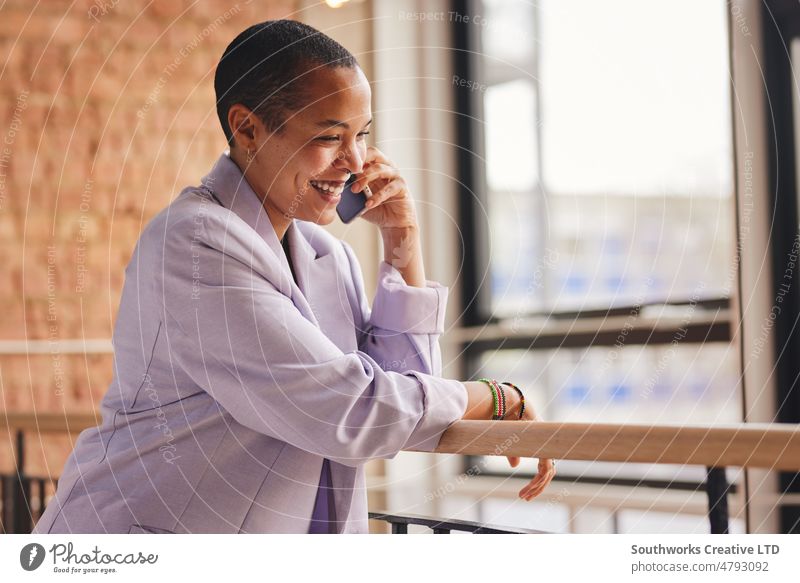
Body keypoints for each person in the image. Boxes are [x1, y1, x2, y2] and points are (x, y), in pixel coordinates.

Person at [34, 20, 554, 534]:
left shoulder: (328, 255)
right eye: (330, 137)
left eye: (362, 136)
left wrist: (403, 245)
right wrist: (497, 396)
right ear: (247, 128)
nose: (354, 162)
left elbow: (404, 397)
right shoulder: (193, 244)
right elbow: (350, 412)